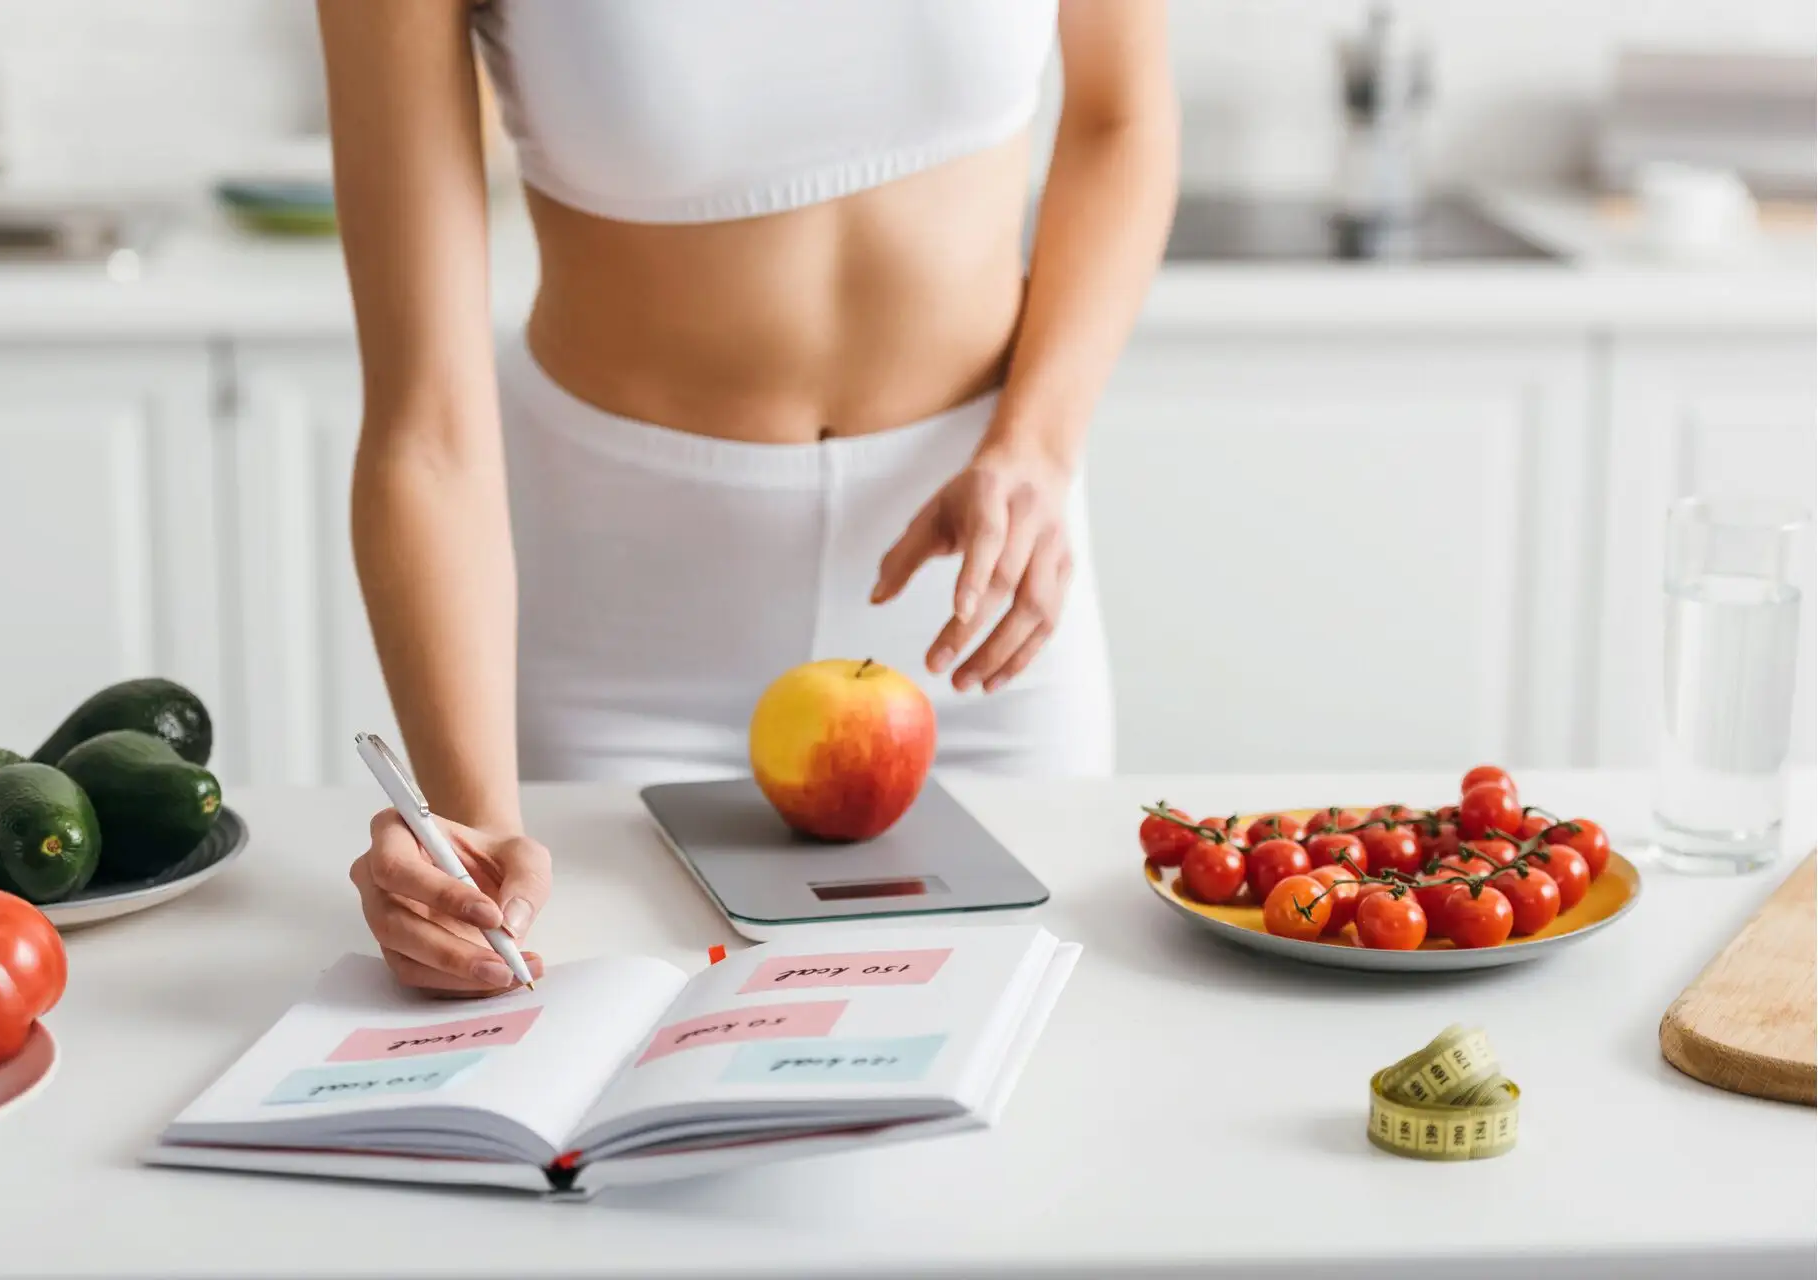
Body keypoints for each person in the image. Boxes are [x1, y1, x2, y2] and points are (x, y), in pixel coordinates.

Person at [318, 0, 1178, 993]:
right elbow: (425, 428)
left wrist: (1036, 446)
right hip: (619, 631)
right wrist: (474, 833)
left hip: (978, 601)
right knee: (583, 1071)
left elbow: (1124, 118)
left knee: (1028, 1065)